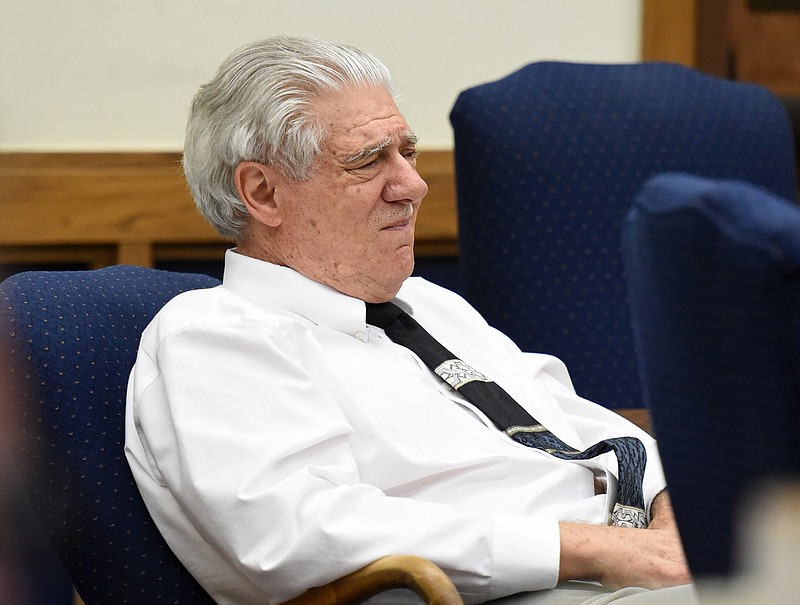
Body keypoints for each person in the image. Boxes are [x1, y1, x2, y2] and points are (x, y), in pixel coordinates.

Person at [124, 36, 694, 605]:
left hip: (631, 566)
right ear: (263, 192)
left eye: (408, 152)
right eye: (368, 160)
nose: (414, 186)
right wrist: (595, 549)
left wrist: (668, 518)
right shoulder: (216, 336)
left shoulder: (429, 305)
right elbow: (301, 534)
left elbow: (590, 432)